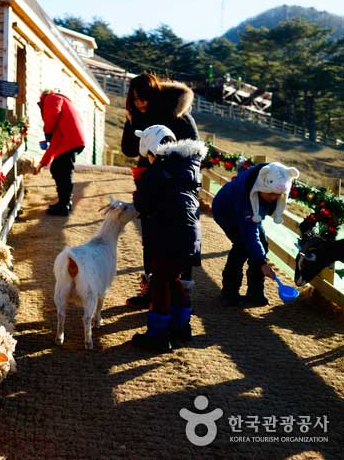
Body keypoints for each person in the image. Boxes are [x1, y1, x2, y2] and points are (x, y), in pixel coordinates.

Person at [121, 72, 199, 308]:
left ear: (153, 96)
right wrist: (133, 123)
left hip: (175, 184)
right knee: (150, 236)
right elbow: (128, 148)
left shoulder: (177, 116)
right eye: (134, 98)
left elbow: (193, 149)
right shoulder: (136, 115)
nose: (139, 103)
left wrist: (169, 166)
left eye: (143, 98)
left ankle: (178, 291)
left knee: (176, 236)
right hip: (149, 182)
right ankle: (152, 290)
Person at [131, 125, 206, 352]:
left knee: (159, 282)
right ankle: (181, 327)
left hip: (169, 234)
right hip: (190, 235)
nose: (149, 160)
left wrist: (138, 191)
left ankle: (158, 335)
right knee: (172, 279)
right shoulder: (187, 166)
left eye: (149, 156)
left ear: (153, 151)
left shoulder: (160, 169)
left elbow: (143, 203)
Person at [212, 162, 300, 306]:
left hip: (252, 214)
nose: (273, 197)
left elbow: (254, 227)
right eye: (270, 193)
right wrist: (261, 263)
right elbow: (249, 233)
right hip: (227, 212)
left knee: (262, 246)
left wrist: (261, 260)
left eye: (277, 195)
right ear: (261, 186)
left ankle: (255, 293)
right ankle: (229, 293)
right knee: (242, 247)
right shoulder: (246, 193)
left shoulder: (275, 180)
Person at [34, 90, 86, 217]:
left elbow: (52, 113)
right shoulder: (62, 122)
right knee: (58, 169)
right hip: (72, 139)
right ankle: (64, 203)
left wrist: (47, 131)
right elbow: (52, 148)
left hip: (70, 140)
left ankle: (64, 205)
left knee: (62, 170)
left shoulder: (51, 98)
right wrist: (41, 164)